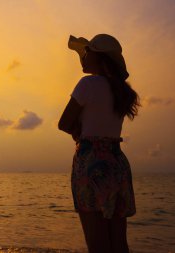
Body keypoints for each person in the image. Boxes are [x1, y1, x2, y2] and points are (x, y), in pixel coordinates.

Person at [58, 34, 140, 253]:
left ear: (99, 57)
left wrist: (78, 133)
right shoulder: (122, 91)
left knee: (97, 244)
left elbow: (64, 123)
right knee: (118, 242)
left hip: (91, 163)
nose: (84, 56)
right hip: (116, 162)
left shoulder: (88, 84)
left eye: (88, 52)